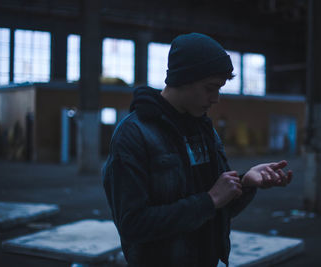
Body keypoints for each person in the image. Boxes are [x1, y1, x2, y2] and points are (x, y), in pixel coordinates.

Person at [102, 32, 293, 267]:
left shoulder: (203, 130)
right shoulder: (133, 135)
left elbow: (218, 207)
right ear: (184, 79)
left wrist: (246, 183)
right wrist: (209, 200)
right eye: (210, 88)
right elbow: (133, 225)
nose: (216, 99)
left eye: (219, 88)